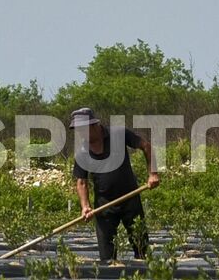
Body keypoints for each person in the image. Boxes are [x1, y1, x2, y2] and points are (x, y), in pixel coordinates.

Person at [69, 107, 161, 263]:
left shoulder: (118, 134)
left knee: (141, 249)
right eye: (77, 130)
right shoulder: (82, 153)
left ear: (94, 125)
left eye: (83, 129)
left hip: (130, 197)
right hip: (104, 205)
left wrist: (153, 174)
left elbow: (146, 146)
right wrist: (85, 206)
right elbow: (81, 182)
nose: (80, 133)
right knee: (107, 257)